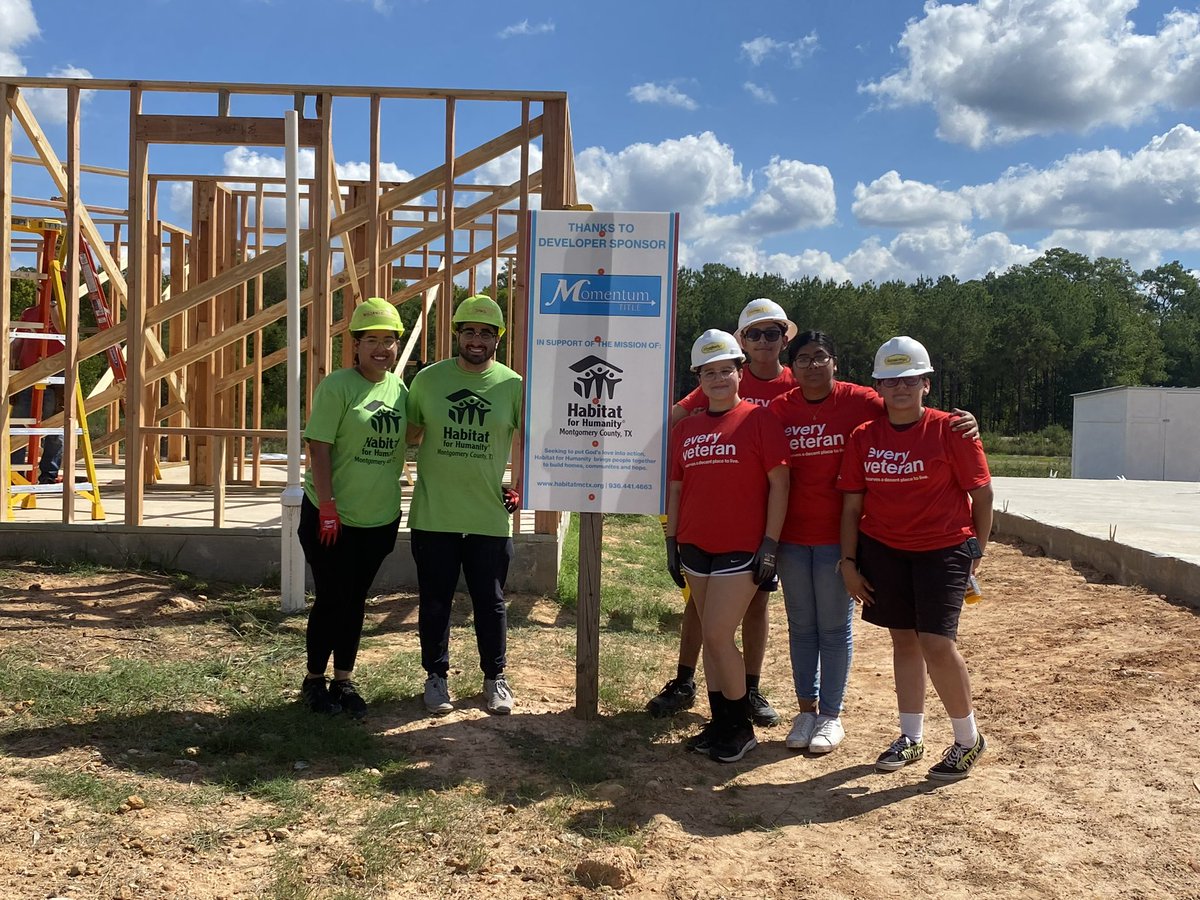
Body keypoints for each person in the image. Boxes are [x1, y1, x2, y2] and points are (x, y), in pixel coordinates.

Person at [768, 332, 979, 754]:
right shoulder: (779, 410)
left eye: (820, 356)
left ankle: (832, 714)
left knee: (836, 628)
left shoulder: (863, 400)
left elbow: (911, 407)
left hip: (858, 540)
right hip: (802, 536)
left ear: (835, 363)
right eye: (803, 359)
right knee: (803, 627)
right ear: (792, 367)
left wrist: (967, 423)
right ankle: (810, 711)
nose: (812, 365)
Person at [837, 336, 993, 781]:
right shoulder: (864, 436)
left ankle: (967, 739)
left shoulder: (952, 430)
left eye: (909, 380)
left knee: (938, 644)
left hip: (943, 549)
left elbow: (982, 496)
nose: (899, 388)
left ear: (926, 383)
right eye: (890, 381)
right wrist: (849, 563)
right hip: (884, 550)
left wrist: (975, 554)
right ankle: (911, 736)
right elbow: (851, 506)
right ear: (878, 388)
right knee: (903, 641)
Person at [648, 298, 797, 728]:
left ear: (784, 338)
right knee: (702, 608)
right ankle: (690, 683)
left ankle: (747, 691)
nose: (764, 341)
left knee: (753, 607)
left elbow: (860, 406)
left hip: (767, 512)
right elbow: (675, 417)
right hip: (716, 516)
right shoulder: (724, 376)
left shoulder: (795, 382)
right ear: (743, 342)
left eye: (773, 333)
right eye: (755, 333)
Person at [407, 294, 523, 716]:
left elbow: (529, 439)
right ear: (457, 333)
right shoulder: (429, 381)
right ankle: (435, 677)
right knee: (435, 600)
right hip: (435, 514)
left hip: (487, 516)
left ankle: (495, 678)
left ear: (497, 340)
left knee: (489, 602)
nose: (477, 339)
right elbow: (410, 432)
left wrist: (520, 485)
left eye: (487, 333)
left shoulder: (512, 385)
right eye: (470, 331)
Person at [297, 297, 409, 718]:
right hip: (332, 518)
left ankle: (343, 680)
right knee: (331, 598)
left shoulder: (398, 388)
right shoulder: (338, 385)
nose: (381, 348)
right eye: (372, 340)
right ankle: (313, 682)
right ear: (356, 345)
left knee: (356, 599)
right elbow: (319, 446)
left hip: (378, 517)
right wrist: (327, 504)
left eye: (389, 340)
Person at [8, 304, 63, 485]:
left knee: (54, 429)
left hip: (55, 376)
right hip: (27, 375)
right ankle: (15, 475)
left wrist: (54, 307)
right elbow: (18, 341)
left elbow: (65, 330)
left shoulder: (66, 311)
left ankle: (48, 474)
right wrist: (12, 369)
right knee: (19, 426)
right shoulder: (29, 312)